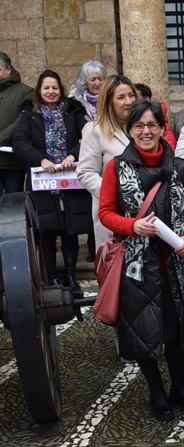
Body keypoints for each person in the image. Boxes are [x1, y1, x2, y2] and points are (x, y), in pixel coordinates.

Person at [97, 99, 184, 420]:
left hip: (174, 267)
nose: (146, 131)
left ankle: (179, 387)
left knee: (175, 332)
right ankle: (156, 391)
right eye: (139, 126)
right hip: (136, 269)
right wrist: (132, 226)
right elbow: (106, 213)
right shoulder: (116, 167)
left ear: (162, 129)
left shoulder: (180, 167)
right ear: (130, 130)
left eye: (152, 125)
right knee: (143, 333)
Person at [13, 70, 91, 292]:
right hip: (43, 181)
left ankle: (70, 277)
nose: (51, 91)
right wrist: (41, 159)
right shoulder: (30, 113)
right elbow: (19, 142)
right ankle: (52, 279)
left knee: (70, 228)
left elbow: (88, 137)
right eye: (46, 87)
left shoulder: (73, 110)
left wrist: (73, 155)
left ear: (60, 89)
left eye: (54, 87)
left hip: (70, 180)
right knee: (47, 228)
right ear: (39, 90)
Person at [76, 75, 138, 252]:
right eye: (121, 97)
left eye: (131, 95)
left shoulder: (144, 128)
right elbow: (86, 172)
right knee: (116, 264)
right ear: (109, 101)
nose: (129, 101)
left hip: (145, 214)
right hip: (113, 213)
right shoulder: (94, 130)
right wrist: (116, 193)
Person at [0, 52, 33, 197]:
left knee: (13, 203)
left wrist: (1, 138)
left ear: (9, 69)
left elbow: (22, 120)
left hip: (12, 161)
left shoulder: (26, 92)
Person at [134, 83, 177, 151]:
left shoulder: (161, 123)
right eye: (139, 126)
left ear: (147, 99)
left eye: (152, 125)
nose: (129, 102)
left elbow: (169, 150)